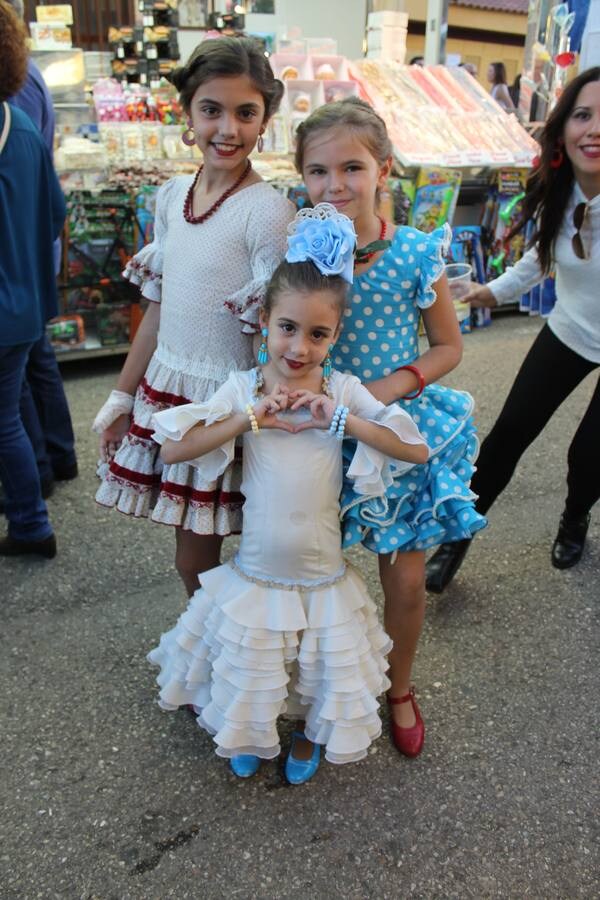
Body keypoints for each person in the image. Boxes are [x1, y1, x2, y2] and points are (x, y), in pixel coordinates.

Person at [147, 204, 429, 783]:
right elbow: (174, 449)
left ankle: (305, 732)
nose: (299, 348)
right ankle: (252, 727)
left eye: (317, 334)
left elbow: (415, 449)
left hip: (322, 571)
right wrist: (250, 419)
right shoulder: (244, 388)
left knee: (314, 661)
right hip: (257, 568)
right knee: (257, 660)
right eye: (288, 328)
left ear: (335, 335)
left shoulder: (341, 389)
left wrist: (344, 419)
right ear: (265, 322)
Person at [295, 98, 486, 758]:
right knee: (311, 577)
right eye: (318, 172)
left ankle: (399, 686)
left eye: (352, 167)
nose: (335, 186)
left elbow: (446, 347)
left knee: (403, 579)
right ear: (302, 179)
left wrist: (383, 390)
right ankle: (321, 687)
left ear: (385, 169)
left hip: (392, 431)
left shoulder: (413, 254)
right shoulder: (301, 255)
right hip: (316, 435)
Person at [93, 37, 294, 595]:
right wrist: (122, 396)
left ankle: (242, 658)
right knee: (193, 557)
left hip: (235, 404)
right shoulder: (171, 196)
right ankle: (216, 652)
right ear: (187, 114)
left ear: (264, 121)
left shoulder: (268, 211)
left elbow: (281, 333)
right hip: (174, 392)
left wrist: (270, 417)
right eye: (211, 110)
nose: (227, 128)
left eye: (245, 113)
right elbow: (158, 311)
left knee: (250, 552)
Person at [426, 67, 600, 592]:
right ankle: (457, 537)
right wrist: (490, 292)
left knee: (588, 455)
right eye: (583, 115)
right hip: (570, 329)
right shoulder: (559, 190)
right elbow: (538, 258)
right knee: (506, 438)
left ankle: (574, 518)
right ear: (564, 127)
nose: (593, 130)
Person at [4, 0, 78, 507]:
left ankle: (33, 500)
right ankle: (54, 461)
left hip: (12, 287)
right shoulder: (22, 123)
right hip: (27, 285)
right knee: (31, 374)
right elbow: (54, 209)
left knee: (11, 406)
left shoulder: (15, 119)